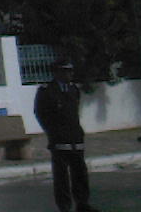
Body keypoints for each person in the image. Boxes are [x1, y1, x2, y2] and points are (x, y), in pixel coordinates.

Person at [33, 59, 99, 212]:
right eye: (65, 71)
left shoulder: (73, 89)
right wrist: (52, 131)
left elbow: (74, 113)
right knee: (61, 176)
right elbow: (41, 113)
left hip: (75, 137)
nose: (69, 74)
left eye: (70, 71)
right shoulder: (46, 91)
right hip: (59, 138)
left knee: (80, 173)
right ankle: (64, 206)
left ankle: (82, 203)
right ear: (57, 73)